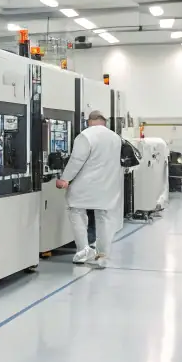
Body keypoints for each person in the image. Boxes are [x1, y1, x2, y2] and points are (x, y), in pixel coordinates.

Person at [56, 110, 124, 269]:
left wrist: (65, 179)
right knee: (104, 217)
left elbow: (76, 160)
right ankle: (103, 254)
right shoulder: (115, 137)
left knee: (76, 211)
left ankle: (83, 251)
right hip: (108, 186)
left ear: (89, 121)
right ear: (104, 122)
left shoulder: (86, 135)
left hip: (85, 185)